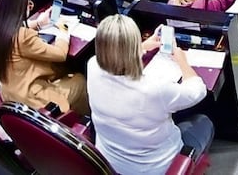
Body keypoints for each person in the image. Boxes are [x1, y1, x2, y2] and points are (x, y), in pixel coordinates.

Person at [87, 15, 213, 174]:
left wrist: (142, 46)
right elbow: (198, 91)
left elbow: (114, 59)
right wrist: (182, 61)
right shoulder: (154, 88)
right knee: (204, 123)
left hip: (111, 163)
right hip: (156, 168)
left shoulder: (92, 66)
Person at [0, 0, 89, 114]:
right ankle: (83, 124)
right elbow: (60, 54)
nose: (31, 6)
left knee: (60, 72)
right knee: (79, 81)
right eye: (27, 4)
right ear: (18, 8)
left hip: (9, 90)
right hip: (29, 98)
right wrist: (64, 31)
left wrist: (38, 23)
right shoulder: (24, 37)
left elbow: (12, 29)